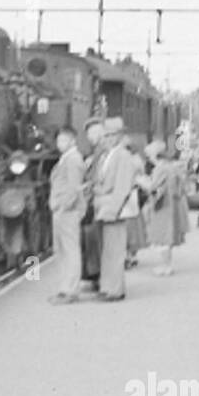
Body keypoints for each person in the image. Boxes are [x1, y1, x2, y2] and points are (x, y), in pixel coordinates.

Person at [92, 118, 140, 301]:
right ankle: (108, 286)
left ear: (118, 136)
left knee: (115, 250)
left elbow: (122, 186)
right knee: (108, 251)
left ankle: (115, 290)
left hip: (114, 210)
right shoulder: (108, 155)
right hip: (104, 209)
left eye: (110, 135)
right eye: (105, 135)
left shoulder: (122, 156)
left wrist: (112, 209)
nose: (106, 138)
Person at [47, 126, 87, 304]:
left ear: (72, 141)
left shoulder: (73, 159)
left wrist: (63, 207)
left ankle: (70, 290)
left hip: (67, 211)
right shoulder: (66, 158)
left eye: (63, 140)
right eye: (58, 140)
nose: (59, 144)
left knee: (70, 250)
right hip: (61, 210)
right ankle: (64, 288)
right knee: (62, 250)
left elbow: (74, 187)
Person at [146, 140, 189, 275]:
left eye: (149, 155)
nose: (148, 158)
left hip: (162, 204)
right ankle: (168, 265)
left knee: (162, 235)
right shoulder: (173, 167)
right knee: (168, 235)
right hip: (173, 203)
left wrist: (140, 181)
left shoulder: (160, 168)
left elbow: (152, 186)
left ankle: (165, 266)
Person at [80, 118, 108, 292]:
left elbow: (100, 177)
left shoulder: (103, 152)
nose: (90, 137)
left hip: (97, 201)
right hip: (93, 200)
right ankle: (94, 275)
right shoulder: (97, 152)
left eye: (92, 133)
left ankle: (98, 277)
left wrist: (88, 187)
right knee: (91, 239)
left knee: (95, 239)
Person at [125, 134, 151, 269]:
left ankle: (128, 255)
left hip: (129, 197)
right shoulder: (137, 159)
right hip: (133, 196)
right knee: (134, 226)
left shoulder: (129, 160)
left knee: (129, 227)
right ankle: (131, 255)